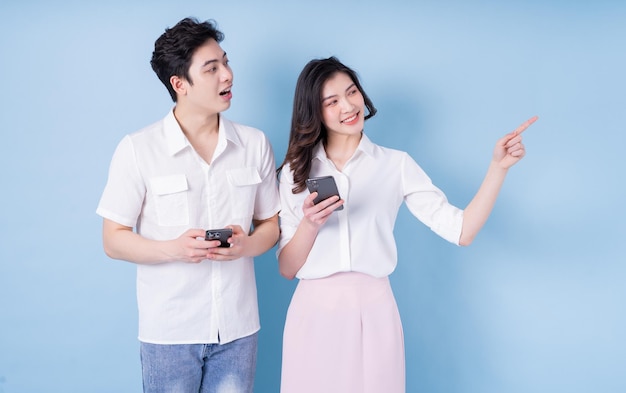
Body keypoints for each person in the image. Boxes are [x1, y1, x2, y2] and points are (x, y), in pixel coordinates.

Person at [276, 56, 537, 393]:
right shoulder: (295, 173)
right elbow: (286, 267)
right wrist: (310, 225)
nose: (348, 105)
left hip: (375, 309)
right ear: (315, 111)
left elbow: (462, 231)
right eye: (332, 101)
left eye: (351, 92)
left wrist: (498, 168)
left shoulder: (396, 165)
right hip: (314, 312)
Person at [96, 17, 280, 393]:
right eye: (211, 69)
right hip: (170, 332)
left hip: (238, 328)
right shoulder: (138, 149)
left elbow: (272, 227)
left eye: (226, 62)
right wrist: (174, 249)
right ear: (179, 84)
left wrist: (247, 245)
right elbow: (113, 239)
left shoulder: (254, 144)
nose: (227, 76)